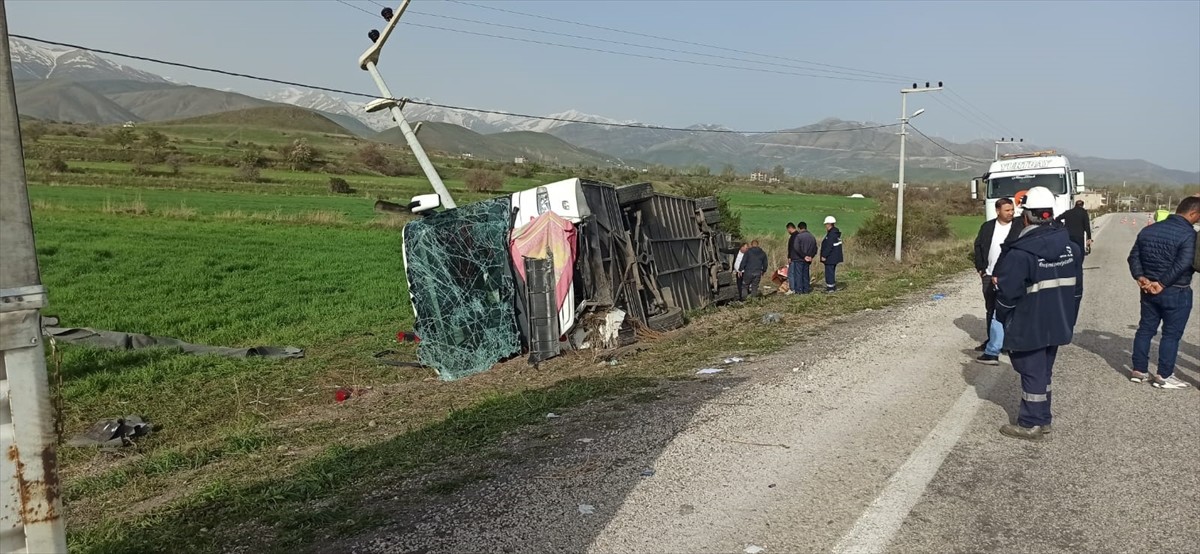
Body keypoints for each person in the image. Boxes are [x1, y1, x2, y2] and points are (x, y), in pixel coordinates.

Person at [992, 186, 1083, 440]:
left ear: (1026, 216)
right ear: (1049, 214)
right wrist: (1069, 319)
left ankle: (1031, 423)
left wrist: (1002, 316)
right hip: (1058, 322)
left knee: (1031, 370)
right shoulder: (1072, 249)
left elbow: (1008, 294)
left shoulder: (1021, 253)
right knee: (1043, 371)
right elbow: (1077, 291)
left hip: (1029, 322)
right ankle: (1043, 419)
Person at [1126, 195, 1200, 389]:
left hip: (1147, 290)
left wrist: (1140, 277)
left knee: (1145, 329)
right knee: (1170, 335)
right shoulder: (1189, 235)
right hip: (1176, 291)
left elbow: (1133, 257)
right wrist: (1162, 283)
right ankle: (1163, 376)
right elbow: (1183, 263)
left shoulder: (1148, 230)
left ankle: (1139, 370)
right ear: (1192, 213)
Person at [972, 198, 1023, 358]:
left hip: (1010, 276)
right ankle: (992, 340)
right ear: (998, 211)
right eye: (1007, 210)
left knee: (1009, 309)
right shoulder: (987, 227)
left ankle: (1008, 342)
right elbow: (978, 246)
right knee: (991, 308)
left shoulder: (1019, 226)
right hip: (989, 274)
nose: (1011, 213)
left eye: (1012, 210)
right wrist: (981, 268)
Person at [792, 222, 818, 294]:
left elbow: (796, 248)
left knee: (799, 275)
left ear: (799, 228)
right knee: (806, 274)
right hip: (808, 260)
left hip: (799, 259)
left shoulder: (798, 237)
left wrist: (804, 256)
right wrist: (811, 256)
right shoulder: (812, 237)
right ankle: (806, 289)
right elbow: (815, 248)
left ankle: (799, 290)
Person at [820, 216, 843, 293]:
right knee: (831, 272)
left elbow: (829, 246)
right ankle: (832, 286)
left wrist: (824, 255)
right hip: (834, 257)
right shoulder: (835, 234)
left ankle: (830, 289)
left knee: (829, 273)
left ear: (829, 224)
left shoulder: (831, 234)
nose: (825, 226)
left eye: (826, 224)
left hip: (830, 258)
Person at [785, 223, 801, 294]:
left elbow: (791, 248)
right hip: (799, 258)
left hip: (793, 257)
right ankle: (798, 287)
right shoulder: (799, 235)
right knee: (797, 273)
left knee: (791, 273)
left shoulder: (793, 237)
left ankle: (792, 288)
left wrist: (789, 257)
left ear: (789, 228)